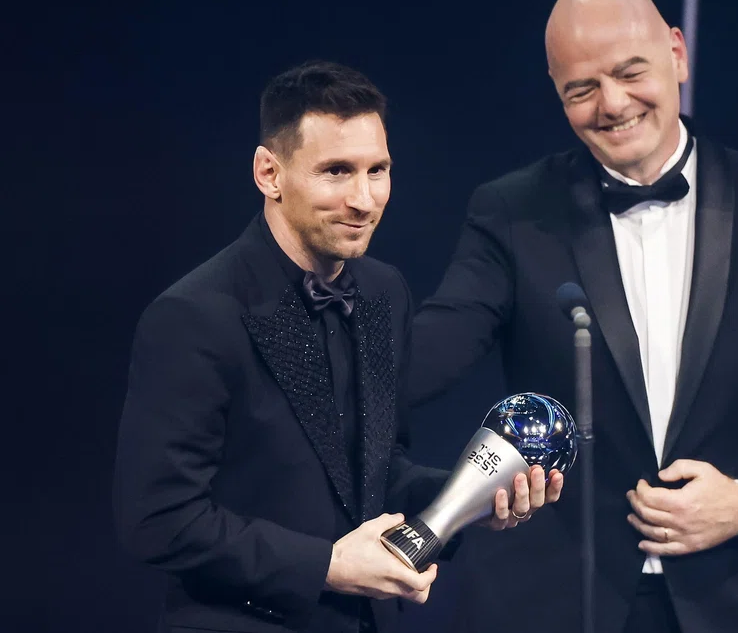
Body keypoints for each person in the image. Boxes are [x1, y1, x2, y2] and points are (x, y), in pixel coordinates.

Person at [409, 0, 738, 633]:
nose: (612, 103)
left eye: (630, 72)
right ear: (558, 93)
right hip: (558, 600)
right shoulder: (514, 211)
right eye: (582, 88)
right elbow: (435, 348)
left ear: (677, 54)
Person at [113, 60, 562, 633]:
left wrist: (471, 498)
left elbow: (377, 472)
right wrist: (326, 565)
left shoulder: (383, 291)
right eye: (336, 172)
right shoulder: (193, 317)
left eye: (378, 170)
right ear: (268, 173)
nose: (364, 199)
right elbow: (158, 520)